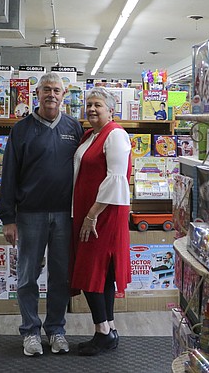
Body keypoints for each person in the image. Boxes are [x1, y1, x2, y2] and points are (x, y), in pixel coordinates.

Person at [0, 72, 83, 357]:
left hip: (64, 215)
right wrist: (8, 218)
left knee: (60, 277)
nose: (51, 94)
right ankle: (31, 332)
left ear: (64, 94)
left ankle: (56, 329)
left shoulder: (74, 127)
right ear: (37, 93)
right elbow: (8, 174)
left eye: (56, 90)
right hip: (29, 215)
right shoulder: (21, 129)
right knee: (26, 277)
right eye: (46, 89)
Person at [71, 87, 133, 356]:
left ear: (111, 109)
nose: (92, 109)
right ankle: (108, 329)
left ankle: (102, 332)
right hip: (90, 212)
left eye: (98, 105)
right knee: (103, 274)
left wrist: (91, 215)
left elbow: (116, 179)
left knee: (91, 271)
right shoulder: (90, 135)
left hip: (102, 215)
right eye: (89, 105)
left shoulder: (115, 134)